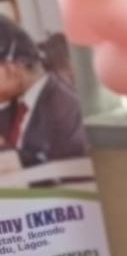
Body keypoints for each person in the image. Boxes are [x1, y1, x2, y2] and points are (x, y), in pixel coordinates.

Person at [0, 16, 87, 167]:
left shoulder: (66, 108)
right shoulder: (15, 105)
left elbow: (67, 168)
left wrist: (17, 159)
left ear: (11, 67)